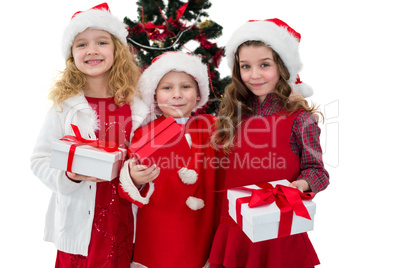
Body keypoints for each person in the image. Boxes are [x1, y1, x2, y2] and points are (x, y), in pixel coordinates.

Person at [30, 3, 152, 267]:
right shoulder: (65, 107)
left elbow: (150, 159)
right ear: (72, 55)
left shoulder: (139, 107)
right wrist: (69, 176)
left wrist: (139, 177)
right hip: (78, 226)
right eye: (81, 44)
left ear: (117, 50)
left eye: (101, 42)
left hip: (123, 223)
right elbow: (39, 159)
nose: (92, 50)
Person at [208, 19, 330, 268]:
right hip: (235, 226)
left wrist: (303, 184)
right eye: (245, 66)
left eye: (264, 65)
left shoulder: (299, 118)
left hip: (278, 226)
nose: (254, 75)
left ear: (282, 67)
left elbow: (317, 171)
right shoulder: (233, 114)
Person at [118, 52, 221, 268]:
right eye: (167, 88)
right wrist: (135, 177)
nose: (177, 95)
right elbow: (129, 181)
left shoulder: (212, 127)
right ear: (154, 95)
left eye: (186, 87)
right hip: (160, 227)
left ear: (198, 93)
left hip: (200, 228)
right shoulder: (144, 133)